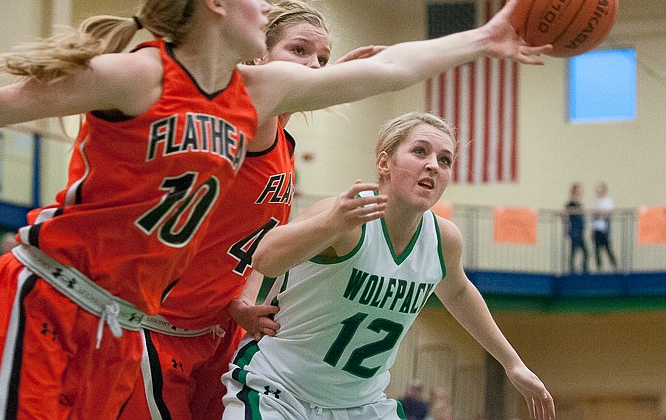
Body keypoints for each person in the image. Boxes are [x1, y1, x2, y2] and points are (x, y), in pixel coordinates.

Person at [0, 0, 549, 419]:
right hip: (53, 294)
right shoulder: (144, 75)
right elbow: (1, 104)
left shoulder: (256, 95)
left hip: (125, 325)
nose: (264, 3)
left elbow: (388, 72)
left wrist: (481, 39)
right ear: (215, 4)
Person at [120, 0, 381, 420]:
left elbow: (257, 242)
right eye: (299, 50)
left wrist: (239, 298)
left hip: (218, 329)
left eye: (322, 58)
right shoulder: (251, 121)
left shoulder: (281, 138)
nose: (314, 65)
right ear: (258, 55)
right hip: (159, 328)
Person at [222, 111, 555, 420]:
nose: (433, 166)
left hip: (361, 406)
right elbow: (265, 257)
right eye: (420, 152)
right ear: (384, 162)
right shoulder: (348, 216)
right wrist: (331, 225)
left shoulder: (443, 240)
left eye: (444, 159)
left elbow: (457, 291)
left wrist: (512, 363)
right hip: (281, 392)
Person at [592, 181, 617, 271]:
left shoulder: (608, 200)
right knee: (597, 248)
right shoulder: (596, 201)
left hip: (604, 228)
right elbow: (595, 213)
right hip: (596, 227)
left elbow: (607, 213)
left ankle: (614, 265)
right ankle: (599, 267)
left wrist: (600, 213)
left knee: (607, 247)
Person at [565, 182, 589, 274]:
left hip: (580, 230)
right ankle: (573, 271)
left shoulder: (579, 203)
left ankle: (581, 270)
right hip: (575, 231)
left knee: (581, 252)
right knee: (576, 251)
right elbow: (567, 213)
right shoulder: (571, 203)